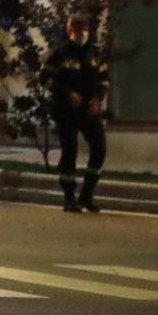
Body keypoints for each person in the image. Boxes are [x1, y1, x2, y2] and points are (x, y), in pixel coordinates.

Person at [41, 15, 109, 213]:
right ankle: (69, 198)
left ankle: (87, 196)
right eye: (77, 29)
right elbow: (45, 79)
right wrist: (66, 94)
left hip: (90, 110)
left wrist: (98, 99)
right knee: (69, 151)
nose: (81, 32)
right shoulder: (60, 54)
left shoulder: (95, 53)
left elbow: (103, 79)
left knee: (99, 149)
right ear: (70, 30)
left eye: (84, 28)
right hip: (66, 111)